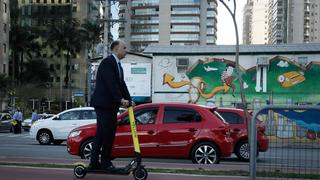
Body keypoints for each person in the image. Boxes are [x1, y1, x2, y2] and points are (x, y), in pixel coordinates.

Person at [89, 40, 132, 171]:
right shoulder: (108, 62)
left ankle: (94, 163)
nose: (126, 50)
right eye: (124, 48)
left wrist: (129, 100)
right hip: (104, 104)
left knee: (101, 134)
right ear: (115, 49)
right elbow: (111, 82)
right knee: (108, 134)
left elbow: (121, 84)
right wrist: (120, 99)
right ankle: (105, 163)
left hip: (109, 105)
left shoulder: (118, 65)